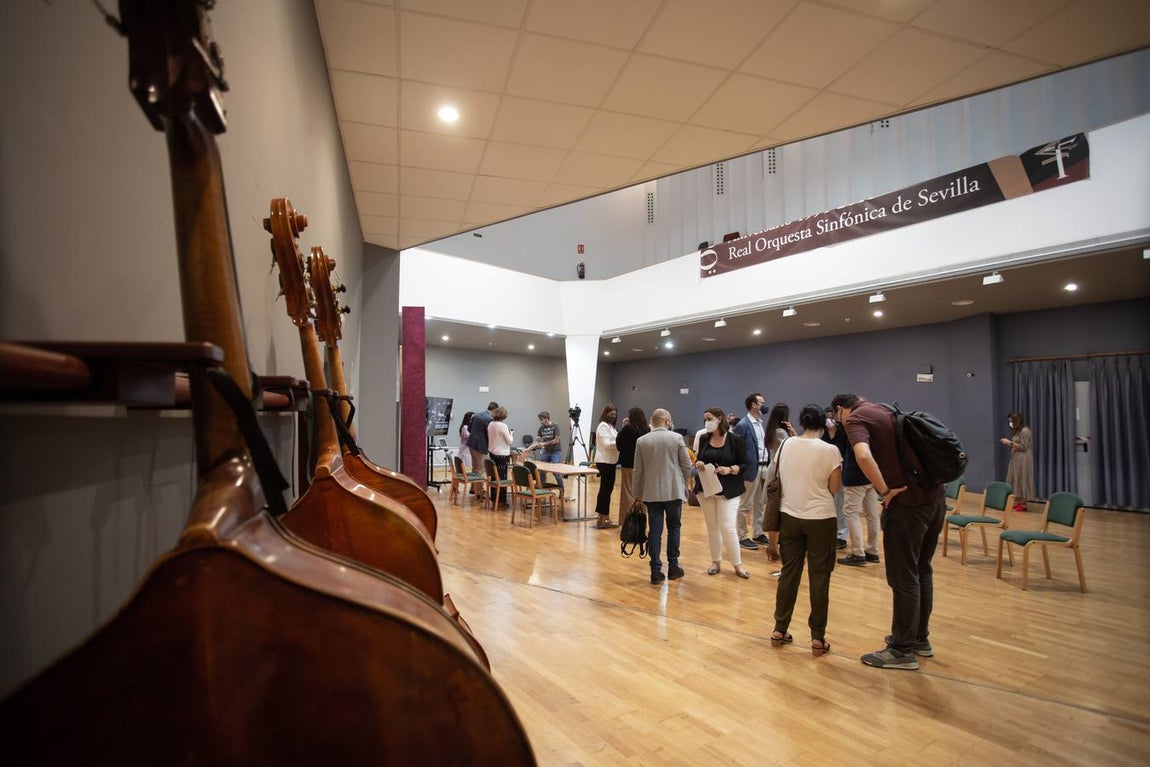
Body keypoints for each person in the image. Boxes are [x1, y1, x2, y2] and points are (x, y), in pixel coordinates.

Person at [833, 393, 946, 671]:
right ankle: (918, 638)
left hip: (907, 504)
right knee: (922, 570)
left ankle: (901, 650)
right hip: (935, 499)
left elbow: (862, 454)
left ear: (840, 410)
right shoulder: (886, 409)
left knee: (903, 575)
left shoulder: (856, 418)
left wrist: (884, 490)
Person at [766, 404, 842, 656]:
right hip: (821, 518)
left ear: (801, 422)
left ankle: (779, 628)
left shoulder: (787, 444)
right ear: (824, 424)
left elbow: (777, 475)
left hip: (789, 516)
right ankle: (817, 637)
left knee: (789, 573)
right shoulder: (830, 450)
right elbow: (834, 488)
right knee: (819, 577)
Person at [631, 408, 693, 585]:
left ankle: (655, 570)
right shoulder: (676, 438)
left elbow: (638, 471)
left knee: (655, 531)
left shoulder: (642, 441)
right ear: (667, 421)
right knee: (674, 527)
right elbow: (687, 465)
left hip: (651, 493)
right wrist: (685, 484)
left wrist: (637, 494)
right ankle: (673, 567)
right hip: (673, 492)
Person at [694, 408, 751, 579]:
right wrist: (699, 464)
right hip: (706, 489)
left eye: (709, 419)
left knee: (727, 527)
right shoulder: (704, 438)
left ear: (719, 419)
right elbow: (699, 458)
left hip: (729, 490)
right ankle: (715, 561)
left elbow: (745, 464)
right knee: (712, 527)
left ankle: (737, 564)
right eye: (705, 419)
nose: (706, 422)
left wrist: (730, 469)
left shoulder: (735, 440)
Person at [829, 407, 880, 567]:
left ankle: (858, 552)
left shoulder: (851, 426)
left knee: (851, 512)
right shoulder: (870, 425)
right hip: (871, 475)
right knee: (872, 514)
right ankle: (873, 551)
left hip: (856, 476)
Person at [731, 393, 769, 551]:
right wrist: (743, 467)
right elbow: (737, 449)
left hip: (763, 467)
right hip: (750, 469)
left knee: (760, 503)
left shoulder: (759, 423)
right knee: (745, 504)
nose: (764, 406)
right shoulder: (743, 424)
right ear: (754, 405)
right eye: (761, 403)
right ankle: (742, 536)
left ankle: (758, 532)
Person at [616, 407, 650, 524]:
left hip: (628, 464)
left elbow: (619, 445)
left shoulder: (628, 429)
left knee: (628, 492)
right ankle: (641, 520)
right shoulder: (647, 430)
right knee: (641, 493)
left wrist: (623, 427)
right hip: (643, 465)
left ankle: (627, 521)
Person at [593, 404, 621, 529]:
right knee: (605, 490)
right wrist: (620, 442)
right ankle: (604, 518)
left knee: (606, 490)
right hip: (605, 461)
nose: (613, 416)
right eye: (611, 414)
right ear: (606, 413)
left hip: (611, 461)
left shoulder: (611, 427)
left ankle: (602, 516)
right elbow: (606, 443)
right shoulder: (603, 426)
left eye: (615, 414)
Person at [1001, 412, 1034, 512]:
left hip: (1023, 458)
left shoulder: (1025, 431)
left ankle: (1023, 503)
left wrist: (1009, 443)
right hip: (1016, 457)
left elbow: (1024, 447)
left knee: (1023, 478)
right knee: (1016, 478)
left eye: (1011, 421)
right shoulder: (1018, 431)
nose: (1010, 423)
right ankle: (1019, 501)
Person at [531, 411, 565, 499]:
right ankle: (542, 491)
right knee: (542, 472)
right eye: (540, 420)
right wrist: (538, 439)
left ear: (547, 418)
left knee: (556, 472)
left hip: (555, 452)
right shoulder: (541, 428)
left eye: (542, 419)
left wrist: (543, 444)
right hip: (546, 452)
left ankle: (562, 490)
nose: (541, 421)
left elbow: (556, 440)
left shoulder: (555, 426)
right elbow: (539, 439)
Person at [486, 406, 513, 507]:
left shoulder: (490, 424)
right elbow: (509, 441)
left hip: (492, 452)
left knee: (494, 476)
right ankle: (501, 500)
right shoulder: (503, 426)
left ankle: (494, 498)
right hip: (502, 454)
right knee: (502, 478)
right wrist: (511, 434)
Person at [468, 401, 498, 471]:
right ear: (494, 410)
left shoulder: (477, 414)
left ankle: (474, 482)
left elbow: (469, 429)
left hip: (471, 444)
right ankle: (478, 482)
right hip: (481, 446)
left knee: (475, 468)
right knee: (481, 470)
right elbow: (490, 434)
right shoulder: (490, 419)